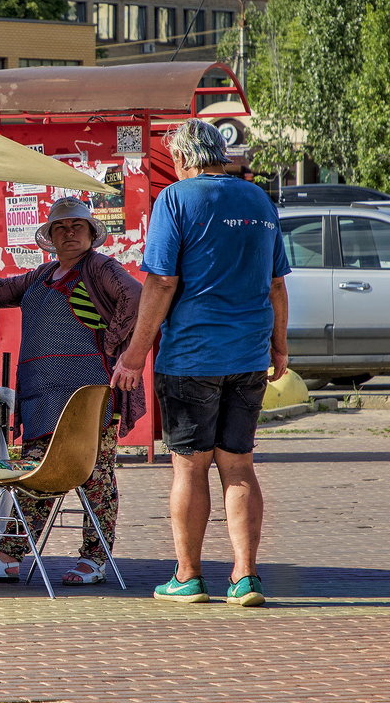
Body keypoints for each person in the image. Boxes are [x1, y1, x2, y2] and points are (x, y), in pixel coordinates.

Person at [111, 118, 289, 608]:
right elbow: (277, 284)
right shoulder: (258, 200)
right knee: (240, 466)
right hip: (249, 355)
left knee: (189, 468)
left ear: (182, 159)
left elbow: (161, 282)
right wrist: (279, 348)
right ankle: (245, 578)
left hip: (191, 356)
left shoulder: (176, 199)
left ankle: (188, 577)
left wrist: (134, 354)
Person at [0, 197, 143, 585]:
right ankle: (10, 557)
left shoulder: (99, 267)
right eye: (61, 228)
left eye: (77, 226)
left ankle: (95, 559)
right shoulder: (40, 277)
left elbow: (135, 296)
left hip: (89, 399)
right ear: (50, 238)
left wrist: (113, 345)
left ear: (92, 233)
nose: (70, 233)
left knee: (95, 477)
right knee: (35, 477)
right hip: (43, 400)